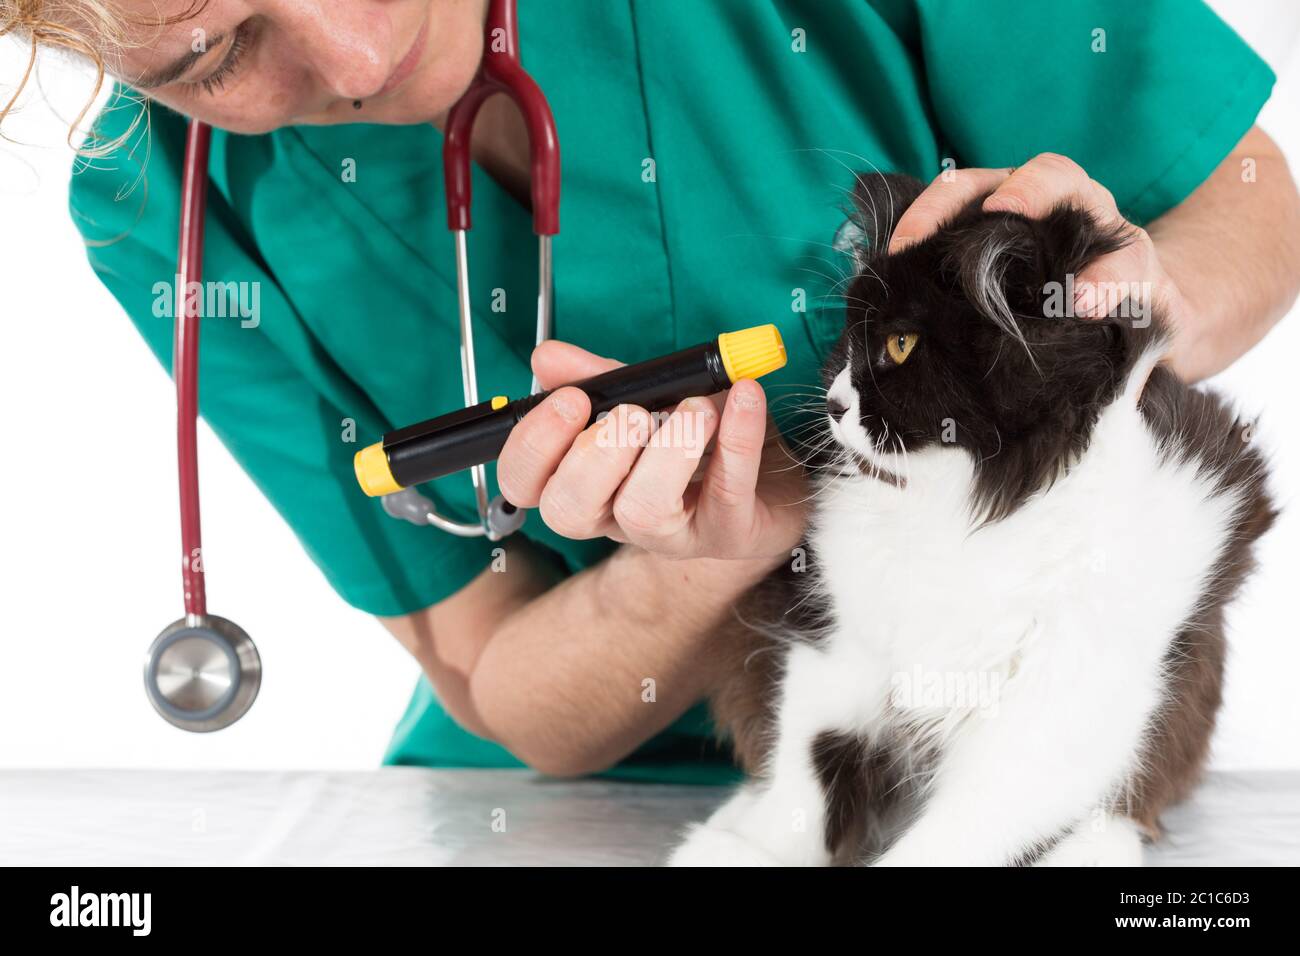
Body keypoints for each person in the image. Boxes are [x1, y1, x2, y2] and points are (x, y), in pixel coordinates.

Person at [5, 0, 1298, 781]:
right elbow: (501, 679)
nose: (356, 55)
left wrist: (1136, 314)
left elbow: (1245, 205)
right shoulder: (156, 208)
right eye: (210, 53)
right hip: (568, 822)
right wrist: (700, 562)